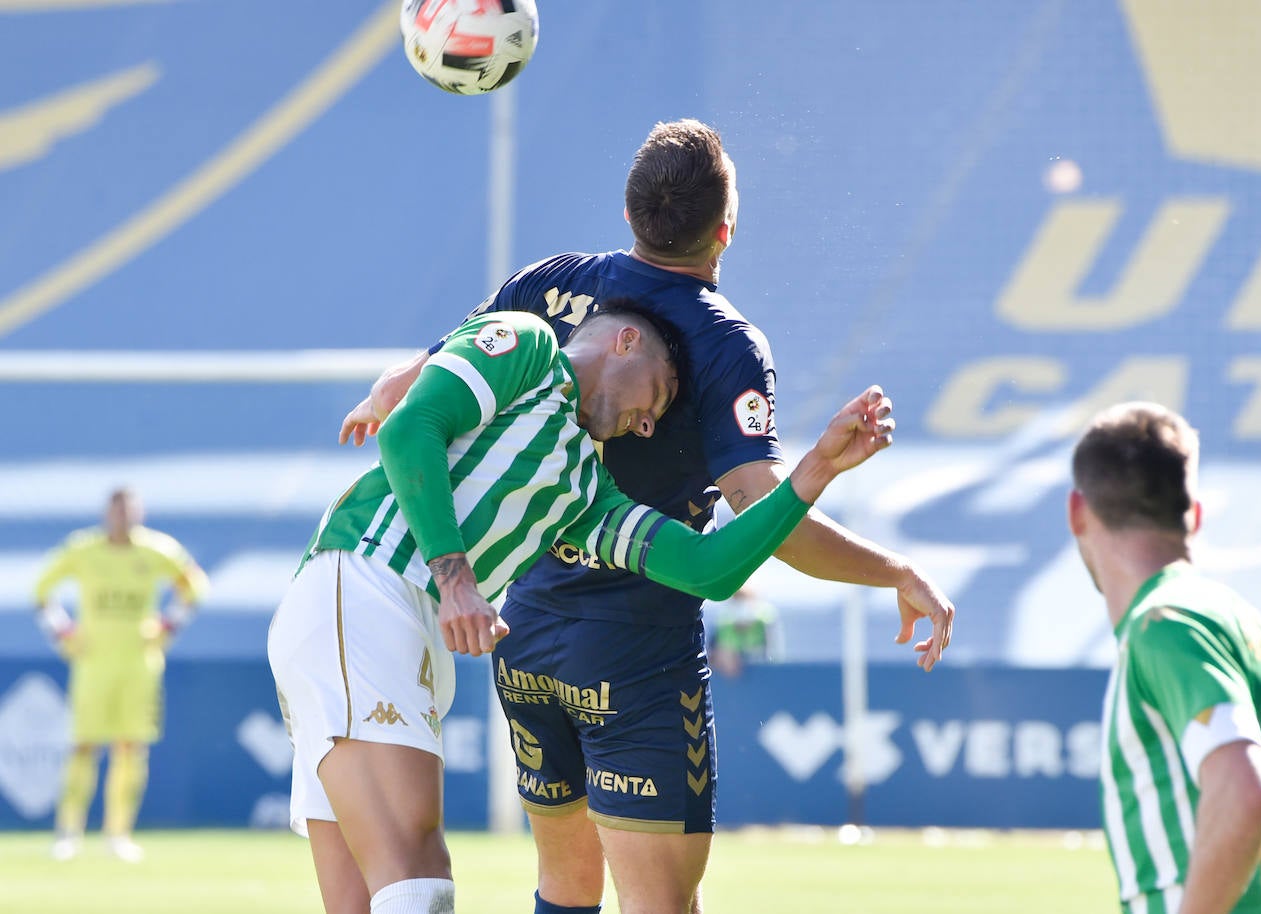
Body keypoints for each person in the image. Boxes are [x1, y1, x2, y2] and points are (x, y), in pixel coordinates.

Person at [340, 117, 955, 914]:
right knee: (660, 903)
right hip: (636, 643)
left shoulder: (547, 283)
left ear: (631, 213)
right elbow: (768, 522)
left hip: (524, 628)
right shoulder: (724, 342)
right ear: (725, 229)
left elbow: (416, 384)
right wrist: (894, 570)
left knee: (565, 887)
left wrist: (383, 393)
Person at [273, 302, 899, 914]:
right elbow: (409, 427)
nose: (648, 424)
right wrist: (457, 579)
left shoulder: (581, 490)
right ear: (625, 342)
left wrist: (814, 472)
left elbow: (706, 569)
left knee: (359, 897)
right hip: (365, 585)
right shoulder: (526, 344)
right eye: (658, 394)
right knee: (417, 876)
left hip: (389, 618)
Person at [1068, 402, 1261, 913]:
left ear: (1077, 511)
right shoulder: (1231, 615)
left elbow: (1246, 790)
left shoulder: (1166, 624)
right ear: (1196, 515)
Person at [33, 487, 209, 863]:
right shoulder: (82, 549)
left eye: (130, 511)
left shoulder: (158, 550)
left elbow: (194, 587)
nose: (124, 518)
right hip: (93, 664)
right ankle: (68, 832)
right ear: (107, 513)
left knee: (130, 747)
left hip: (139, 664)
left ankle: (118, 834)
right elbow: (42, 590)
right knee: (84, 745)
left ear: (139, 513)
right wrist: (61, 631)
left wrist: (168, 624)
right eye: (118, 511)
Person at [706, 583, 783, 677]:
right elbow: (713, 652)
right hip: (731, 673)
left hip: (761, 672)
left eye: (743, 600)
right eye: (737, 600)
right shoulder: (724, 622)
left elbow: (773, 653)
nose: (741, 606)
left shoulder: (765, 620)